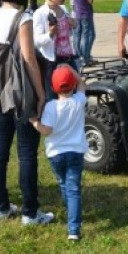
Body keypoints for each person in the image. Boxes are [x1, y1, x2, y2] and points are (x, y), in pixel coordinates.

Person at [0, 0, 53, 226]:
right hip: (21, 89)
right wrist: (40, 92)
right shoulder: (23, 18)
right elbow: (28, 58)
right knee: (26, 152)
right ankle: (30, 212)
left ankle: (1, 207)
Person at [32, 65, 88, 241]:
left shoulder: (51, 107)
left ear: (53, 87)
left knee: (64, 184)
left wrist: (34, 122)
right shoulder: (79, 101)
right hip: (76, 152)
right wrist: (69, 68)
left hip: (55, 154)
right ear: (72, 85)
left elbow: (46, 131)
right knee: (74, 189)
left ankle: (72, 211)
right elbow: (82, 83)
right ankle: (73, 229)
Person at [34, 0, 77, 98]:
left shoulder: (63, 9)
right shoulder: (41, 13)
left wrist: (73, 24)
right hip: (52, 60)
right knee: (52, 95)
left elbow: (68, 31)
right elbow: (36, 41)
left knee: (73, 89)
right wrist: (50, 34)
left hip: (68, 56)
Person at [71, 0, 96, 64]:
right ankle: (86, 57)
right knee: (87, 35)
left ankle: (78, 55)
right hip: (86, 12)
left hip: (77, 12)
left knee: (77, 34)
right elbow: (89, 0)